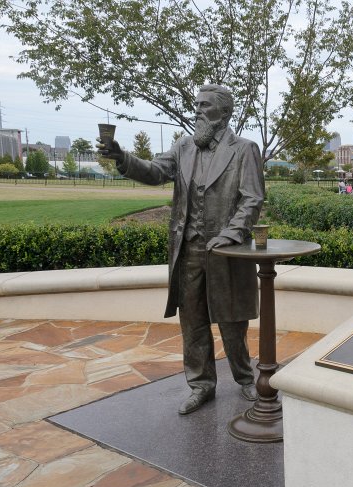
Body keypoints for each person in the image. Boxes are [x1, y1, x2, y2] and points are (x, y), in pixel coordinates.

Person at [97, 84, 263, 415]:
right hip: (187, 251)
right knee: (193, 322)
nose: (197, 110)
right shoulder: (183, 148)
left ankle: (245, 379)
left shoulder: (244, 149)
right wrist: (122, 157)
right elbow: (155, 171)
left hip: (226, 252)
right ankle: (201, 385)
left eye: (205, 105)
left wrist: (231, 234)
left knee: (232, 322)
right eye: (196, 104)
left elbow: (252, 198)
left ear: (224, 113)